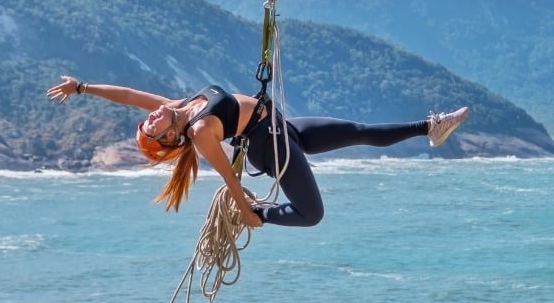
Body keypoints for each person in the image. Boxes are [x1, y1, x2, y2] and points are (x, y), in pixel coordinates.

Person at [47, 76, 469, 229]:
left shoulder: (178, 108)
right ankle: (267, 217)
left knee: (357, 131)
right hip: (271, 145)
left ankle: (430, 128)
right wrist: (249, 212)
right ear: (169, 140)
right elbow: (227, 176)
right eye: (150, 125)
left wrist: (83, 87)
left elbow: (129, 95)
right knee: (312, 213)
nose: (152, 115)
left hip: (279, 125)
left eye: (149, 119)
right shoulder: (197, 130)